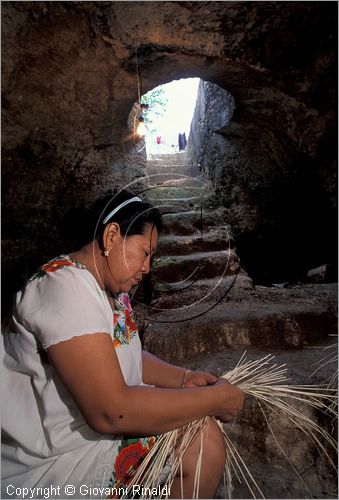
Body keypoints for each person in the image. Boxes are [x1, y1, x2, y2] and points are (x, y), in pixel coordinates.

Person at [1, 190, 245, 499]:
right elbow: (111, 412)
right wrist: (213, 400)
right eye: (145, 252)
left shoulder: (110, 292)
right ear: (112, 236)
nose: (147, 267)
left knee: (199, 436)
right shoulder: (66, 287)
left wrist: (184, 379)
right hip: (54, 462)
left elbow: (125, 352)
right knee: (202, 443)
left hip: (84, 441)